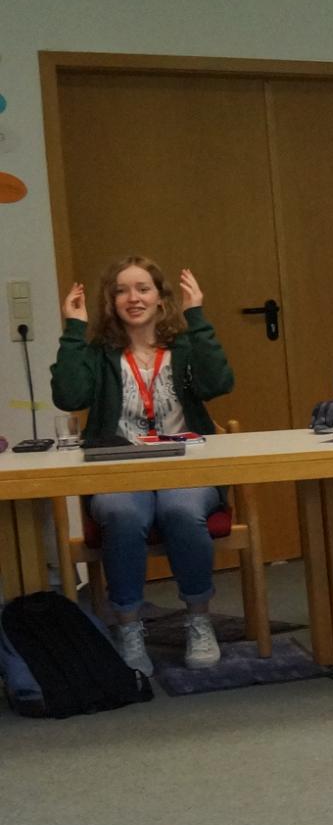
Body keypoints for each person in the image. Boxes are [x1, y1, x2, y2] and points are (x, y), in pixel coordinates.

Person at [51, 257, 233, 673]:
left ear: (161, 297)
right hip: (119, 472)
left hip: (186, 470)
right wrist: (74, 329)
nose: (132, 298)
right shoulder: (100, 354)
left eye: (143, 288)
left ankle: (199, 620)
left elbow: (219, 383)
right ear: (111, 301)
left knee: (180, 510)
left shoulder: (183, 347)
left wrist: (197, 317)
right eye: (121, 290)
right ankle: (129, 627)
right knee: (121, 513)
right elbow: (68, 396)